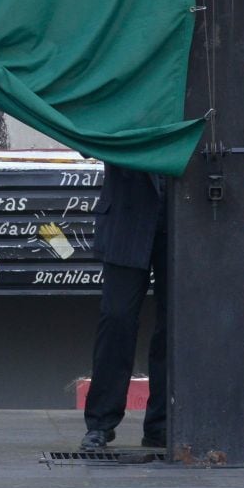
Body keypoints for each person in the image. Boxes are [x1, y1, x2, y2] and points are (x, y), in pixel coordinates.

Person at [79, 163, 168, 454]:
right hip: (127, 217)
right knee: (117, 318)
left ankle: (163, 424)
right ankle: (100, 424)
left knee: (175, 324)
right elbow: (89, 137)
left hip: (181, 217)